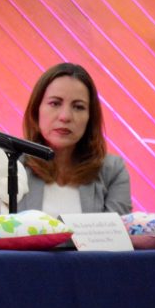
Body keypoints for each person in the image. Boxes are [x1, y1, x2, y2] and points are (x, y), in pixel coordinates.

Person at [17, 62, 132, 216]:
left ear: (90, 117)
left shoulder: (112, 170)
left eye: (78, 107)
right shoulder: (11, 164)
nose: (65, 116)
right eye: (55, 103)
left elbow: (116, 230)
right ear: (36, 110)